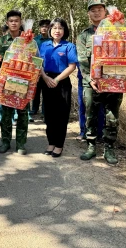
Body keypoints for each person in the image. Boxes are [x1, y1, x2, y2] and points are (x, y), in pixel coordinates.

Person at [77, 0, 123, 165]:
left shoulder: (118, 31)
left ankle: (109, 147)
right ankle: (91, 145)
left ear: (105, 12)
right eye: (93, 10)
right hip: (91, 82)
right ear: (89, 14)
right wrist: (90, 80)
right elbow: (82, 61)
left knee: (112, 115)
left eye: (100, 9)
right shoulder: (84, 35)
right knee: (90, 113)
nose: (96, 12)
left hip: (114, 80)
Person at [40, 18, 78, 158]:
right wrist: (45, 77)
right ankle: (51, 143)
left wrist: (56, 79)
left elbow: (72, 66)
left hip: (62, 82)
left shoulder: (69, 46)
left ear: (64, 31)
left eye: (60, 28)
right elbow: (39, 63)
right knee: (49, 115)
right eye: (54, 28)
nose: (57, 31)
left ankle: (59, 145)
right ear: (50, 30)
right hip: (46, 80)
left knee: (61, 115)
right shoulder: (44, 45)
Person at [0, 11, 31, 154]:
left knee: (22, 112)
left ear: (21, 22)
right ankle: (5, 141)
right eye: (11, 21)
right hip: (6, 81)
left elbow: (35, 60)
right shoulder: (1, 41)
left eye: (17, 20)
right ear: (7, 23)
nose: (14, 23)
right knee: (5, 113)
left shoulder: (28, 40)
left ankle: (21, 144)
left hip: (23, 81)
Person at [30, 19, 51, 116]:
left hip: (48, 69)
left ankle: (44, 111)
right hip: (36, 69)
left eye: (46, 26)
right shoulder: (35, 40)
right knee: (36, 90)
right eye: (42, 26)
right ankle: (34, 109)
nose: (44, 28)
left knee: (46, 91)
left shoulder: (52, 40)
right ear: (39, 28)